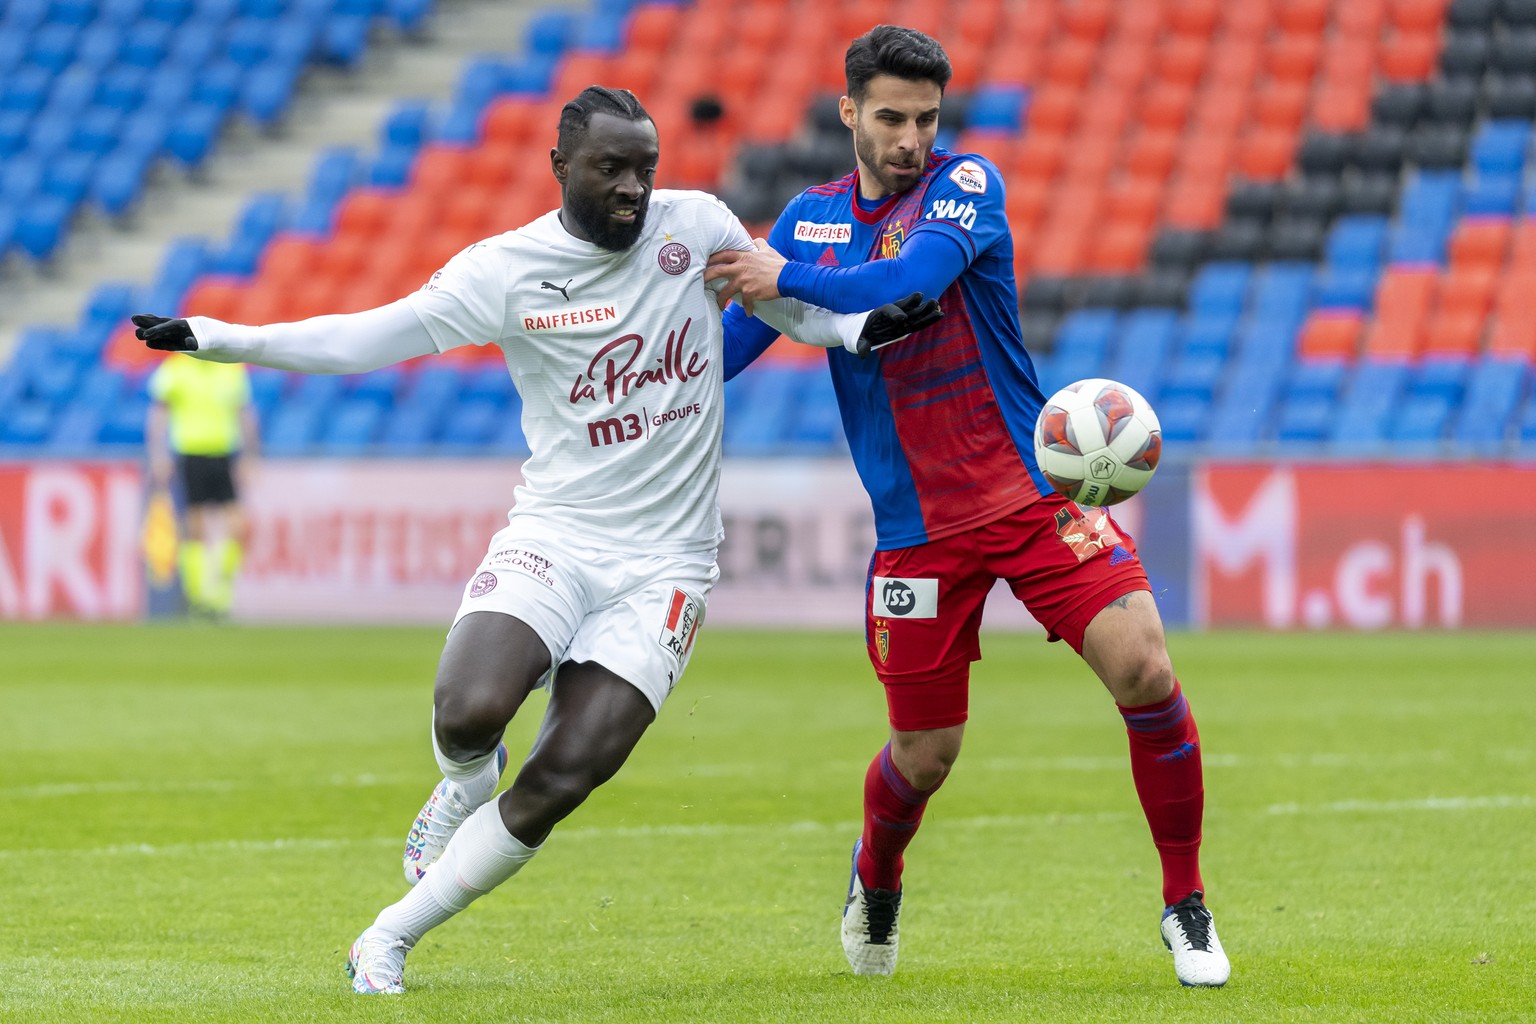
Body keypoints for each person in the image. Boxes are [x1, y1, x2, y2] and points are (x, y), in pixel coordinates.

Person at [133, 85, 940, 996]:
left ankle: (386, 938)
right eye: (611, 169)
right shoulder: (506, 271)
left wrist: (858, 326)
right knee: (467, 713)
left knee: (568, 771)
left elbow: (779, 307)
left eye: (645, 168)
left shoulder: (697, 225)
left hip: (668, 565)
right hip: (558, 534)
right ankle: (464, 785)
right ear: (561, 169)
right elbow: (365, 338)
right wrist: (216, 337)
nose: (634, 188)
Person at [704, 26, 1231, 988]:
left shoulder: (965, 187)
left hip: (1033, 497)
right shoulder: (808, 221)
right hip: (916, 536)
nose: (911, 138)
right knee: (925, 753)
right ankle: (878, 872)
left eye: (927, 118)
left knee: (1146, 667)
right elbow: (730, 349)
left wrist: (781, 279)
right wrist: (653, 379)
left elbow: (906, 284)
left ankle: (1185, 902)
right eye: (893, 118)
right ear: (849, 112)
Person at [145, 352, 259, 619]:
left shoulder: (230, 369)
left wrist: (250, 455)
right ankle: (199, 596)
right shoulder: (175, 368)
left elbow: (244, 413)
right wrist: (158, 454)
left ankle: (221, 592)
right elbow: (159, 413)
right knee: (195, 526)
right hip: (190, 453)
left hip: (223, 454)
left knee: (237, 526)